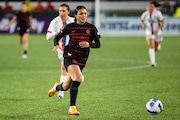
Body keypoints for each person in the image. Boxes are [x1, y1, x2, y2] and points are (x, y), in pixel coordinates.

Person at [48, 5, 101, 115]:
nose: (83, 16)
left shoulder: (91, 28)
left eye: (85, 13)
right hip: (69, 56)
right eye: (81, 13)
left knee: (66, 86)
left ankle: (56, 87)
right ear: (76, 15)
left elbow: (98, 44)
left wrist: (89, 44)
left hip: (82, 59)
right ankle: (72, 108)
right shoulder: (70, 26)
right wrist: (56, 45)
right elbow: (57, 37)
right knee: (78, 78)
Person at [46, 4, 74, 99]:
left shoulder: (73, 21)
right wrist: (55, 33)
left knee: (70, 72)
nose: (61, 13)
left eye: (63, 11)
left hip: (73, 49)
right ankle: (61, 91)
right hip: (61, 50)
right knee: (64, 68)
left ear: (68, 12)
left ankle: (60, 88)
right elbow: (48, 36)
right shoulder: (55, 21)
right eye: (60, 11)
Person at [141, 2, 165, 67]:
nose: (150, 8)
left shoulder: (158, 14)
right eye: (149, 6)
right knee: (151, 46)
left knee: (156, 49)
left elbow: (163, 23)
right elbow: (142, 20)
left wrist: (158, 29)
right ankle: (153, 62)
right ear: (148, 7)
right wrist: (143, 25)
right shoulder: (145, 14)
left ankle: (158, 45)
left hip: (157, 32)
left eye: (152, 6)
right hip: (149, 31)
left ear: (154, 7)